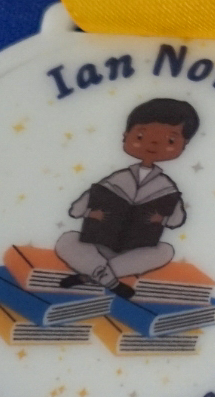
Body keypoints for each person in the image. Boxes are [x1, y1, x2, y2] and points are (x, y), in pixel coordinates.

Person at [57, 98, 196, 299]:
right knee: (67, 240)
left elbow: (177, 220)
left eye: (170, 141)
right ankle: (112, 283)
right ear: (125, 135)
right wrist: (90, 213)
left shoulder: (167, 188)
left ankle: (91, 275)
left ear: (184, 145)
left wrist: (162, 219)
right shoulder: (116, 179)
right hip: (99, 243)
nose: (154, 143)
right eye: (141, 135)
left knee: (165, 251)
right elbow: (76, 210)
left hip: (134, 249)